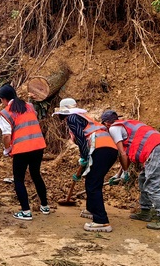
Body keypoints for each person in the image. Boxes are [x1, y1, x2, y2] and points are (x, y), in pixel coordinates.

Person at [53, 98, 119, 232]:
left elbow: (82, 141)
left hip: (101, 150)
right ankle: (92, 209)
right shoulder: (82, 117)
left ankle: (102, 221)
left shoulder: (72, 118)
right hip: (108, 149)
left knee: (93, 183)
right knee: (92, 180)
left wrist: (84, 157)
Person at [101, 109, 160, 230]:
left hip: (155, 149)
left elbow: (122, 154)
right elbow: (127, 155)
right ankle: (145, 212)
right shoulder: (125, 127)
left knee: (152, 185)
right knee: (143, 178)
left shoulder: (114, 129)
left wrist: (125, 172)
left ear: (106, 124)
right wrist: (118, 174)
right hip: (159, 147)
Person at [0, 84, 50, 220]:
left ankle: (26, 211)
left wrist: (7, 149)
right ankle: (45, 206)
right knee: (36, 174)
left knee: (18, 179)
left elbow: (6, 136)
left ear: (3, 99)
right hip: (38, 146)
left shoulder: (6, 113)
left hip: (22, 149)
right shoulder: (29, 106)